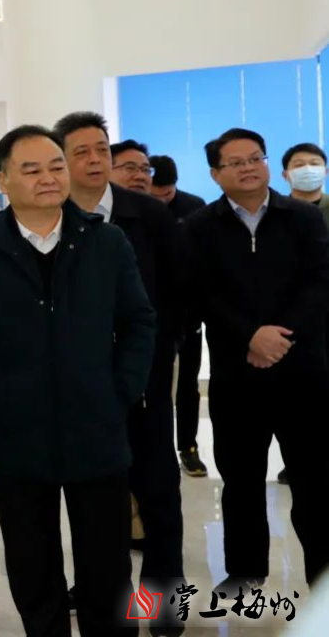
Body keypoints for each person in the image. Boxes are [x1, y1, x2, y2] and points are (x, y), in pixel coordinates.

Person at [0, 124, 155, 637]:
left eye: (56, 166)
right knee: (31, 562)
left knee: (108, 566)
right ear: (4, 180)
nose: (48, 177)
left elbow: (138, 321)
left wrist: (120, 392)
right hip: (17, 434)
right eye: (31, 169)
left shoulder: (105, 241)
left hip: (97, 429)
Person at [184, 127, 329, 595]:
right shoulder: (199, 227)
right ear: (215, 173)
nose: (248, 167)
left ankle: (323, 574)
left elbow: (319, 283)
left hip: (303, 371)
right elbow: (202, 293)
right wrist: (250, 335)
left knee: (315, 480)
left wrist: (280, 337)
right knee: (241, 479)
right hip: (237, 372)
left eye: (255, 158)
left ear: (268, 165)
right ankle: (246, 572)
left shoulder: (302, 218)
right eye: (236, 162)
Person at [56, 112, 185, 636]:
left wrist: (152, 356)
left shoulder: (147, 215)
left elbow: (178, 293)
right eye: (81, 152)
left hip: (145, 380)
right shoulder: (50, 217)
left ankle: (163, 604)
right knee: (97, 504)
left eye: (101, 150)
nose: (95, 160)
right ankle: (106, 598)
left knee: (158, 494)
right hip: (80, 389)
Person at [149, 155, 209, 477]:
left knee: (187, 383)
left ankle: (188, 446)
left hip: (187, 313)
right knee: (153, 386)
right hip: (148, 315)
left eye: (167, 194)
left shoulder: (194, 207)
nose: (161, 201)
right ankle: (154, 450)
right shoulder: (135, 209)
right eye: (154, 195)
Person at [278, 142, 329, 486]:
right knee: (298, 401)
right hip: (292, 321)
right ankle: (297, 461)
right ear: (285, 174)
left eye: (314, 163)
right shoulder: (277, 214)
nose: (307, 169)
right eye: (299, 164)